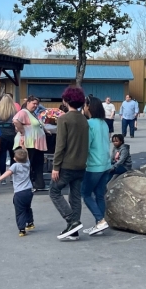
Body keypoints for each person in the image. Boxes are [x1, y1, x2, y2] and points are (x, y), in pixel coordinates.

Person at [51, 86, 89, 241]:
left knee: (54, 191)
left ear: (66, 100)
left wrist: (55, 167)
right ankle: (74, 231)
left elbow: (60, 145)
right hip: (81, 164)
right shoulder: (84, 119)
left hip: (67, 164)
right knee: (75, 196)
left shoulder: (63, 119)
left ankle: (72, 220)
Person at [81, 97, 111, 236]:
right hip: (105, 163)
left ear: (89, 107)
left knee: (86, 193)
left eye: (85, 105)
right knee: (99, 195)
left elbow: (86, 145)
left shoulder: (89, 124)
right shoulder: (103, 123)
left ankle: (100, 220)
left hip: (93, 165)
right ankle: (99, 224)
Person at [0, 147, 35, 237]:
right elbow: (26, 154)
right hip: (29, 191)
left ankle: (22, 229)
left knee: (20, 211)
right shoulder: (27, 163)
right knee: (27, 207)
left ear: (15, 159)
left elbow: (8, 173)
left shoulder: (15, 166)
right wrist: (23, 146)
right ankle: (30, 222)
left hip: (19, 192)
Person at [13, 96, 48, 191]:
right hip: (28, 143)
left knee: (38, 164)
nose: (36, 106)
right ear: (28, 102)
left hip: (35, 143)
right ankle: (26, 185)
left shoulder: (32, 114)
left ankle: (39, 184)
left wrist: (45, 130)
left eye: (37, 104)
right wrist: (22, 132)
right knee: (28, 164)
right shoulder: (23, 112)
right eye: (34, 103)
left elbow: (37, 124)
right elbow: (16, 120)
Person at [0, 94, 18, 177]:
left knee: (2, 156)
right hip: (12, 135)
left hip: (1, 135)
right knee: (13, 156)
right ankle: (12, 175)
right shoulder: (14, 111)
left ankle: (2, 176)